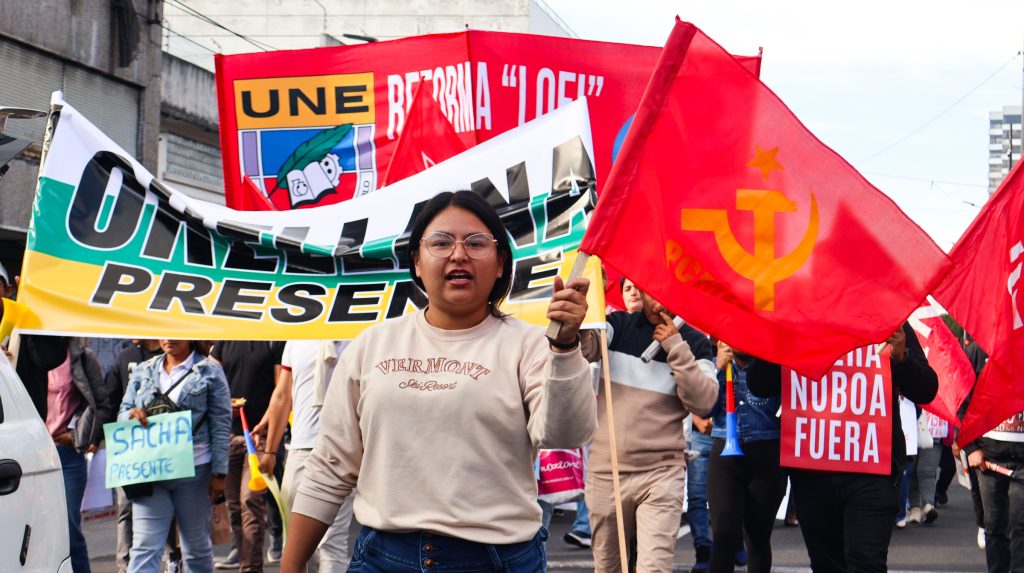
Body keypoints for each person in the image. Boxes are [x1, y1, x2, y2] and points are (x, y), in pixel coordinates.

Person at [280, 190, 596, 573]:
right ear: (416, 261)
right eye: (441, 242)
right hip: (382, 559)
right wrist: (291, 564)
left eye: (476, 243)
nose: (459, 254)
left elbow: (566, 434)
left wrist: (564, 348)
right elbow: (331, 466)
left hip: (498, 561)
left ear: (500, 264)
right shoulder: (372, 345)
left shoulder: (529, 345)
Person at [747, 324, 938, 573]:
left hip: (873, 469)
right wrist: (779, 339)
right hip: (813, 473)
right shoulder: (795, 314)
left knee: (867, 565)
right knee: (827, 566)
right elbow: (758, 383)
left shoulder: (886, 315)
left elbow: (926, 389)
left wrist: (901, 357)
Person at [579, 290, 718, 573]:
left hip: (662, 473)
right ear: (642, 290)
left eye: (668, 293)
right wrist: (576, 323)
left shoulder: (695, 343)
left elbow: (704, 402)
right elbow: (584, 350)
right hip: (608, 470)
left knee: (654, 568)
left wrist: (676, 347)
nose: (661, 303)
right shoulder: (617, 324)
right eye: (654, 293)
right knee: (608, 567)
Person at [119, 340, 231, 573]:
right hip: (150, 471)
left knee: (196, 550)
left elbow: (221, 423)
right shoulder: (144, 369)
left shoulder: (210, 370)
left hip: (195, 472)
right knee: (144, 548)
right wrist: (130, 415)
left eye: (174, 332)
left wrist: (219, 473)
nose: (168, 338)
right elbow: (123, 410)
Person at [254, 339, 355, 572]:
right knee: (297, 546)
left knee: (331, 544)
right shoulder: (296, 339)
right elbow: (282, 395)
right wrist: (270, 451)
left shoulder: (357, 335)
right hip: (300, 449)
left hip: (341, 451)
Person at [705, 342, 785, 573]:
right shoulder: (714, 366)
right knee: (723, 535)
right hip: (725, 457)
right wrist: (718, 370)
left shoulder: (772, 364)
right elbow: (705, 408)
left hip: (767, 453)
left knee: (758, 539)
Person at [209, 340, 285, 572]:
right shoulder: (224, 341)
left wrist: (271, 441)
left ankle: (251, 566)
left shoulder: (274, 340)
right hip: (228, 436)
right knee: (233, 505)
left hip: (261, 437)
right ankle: (240, 551)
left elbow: (281, 391)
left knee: (250, 500)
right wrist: (223, 402)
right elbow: (209, 381)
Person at [46, 336, 111, 573]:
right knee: (40, 529)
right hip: (34, 453)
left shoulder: (82, 356)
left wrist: (77, 437)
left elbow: (101, 404)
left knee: (68, 529)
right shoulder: (23, 355)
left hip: (66, 454)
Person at [965, 410, 1024, 573]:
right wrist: (971, 448)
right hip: (989, 459)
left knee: (1021, 523)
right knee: (995, 525)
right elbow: (964, 406)